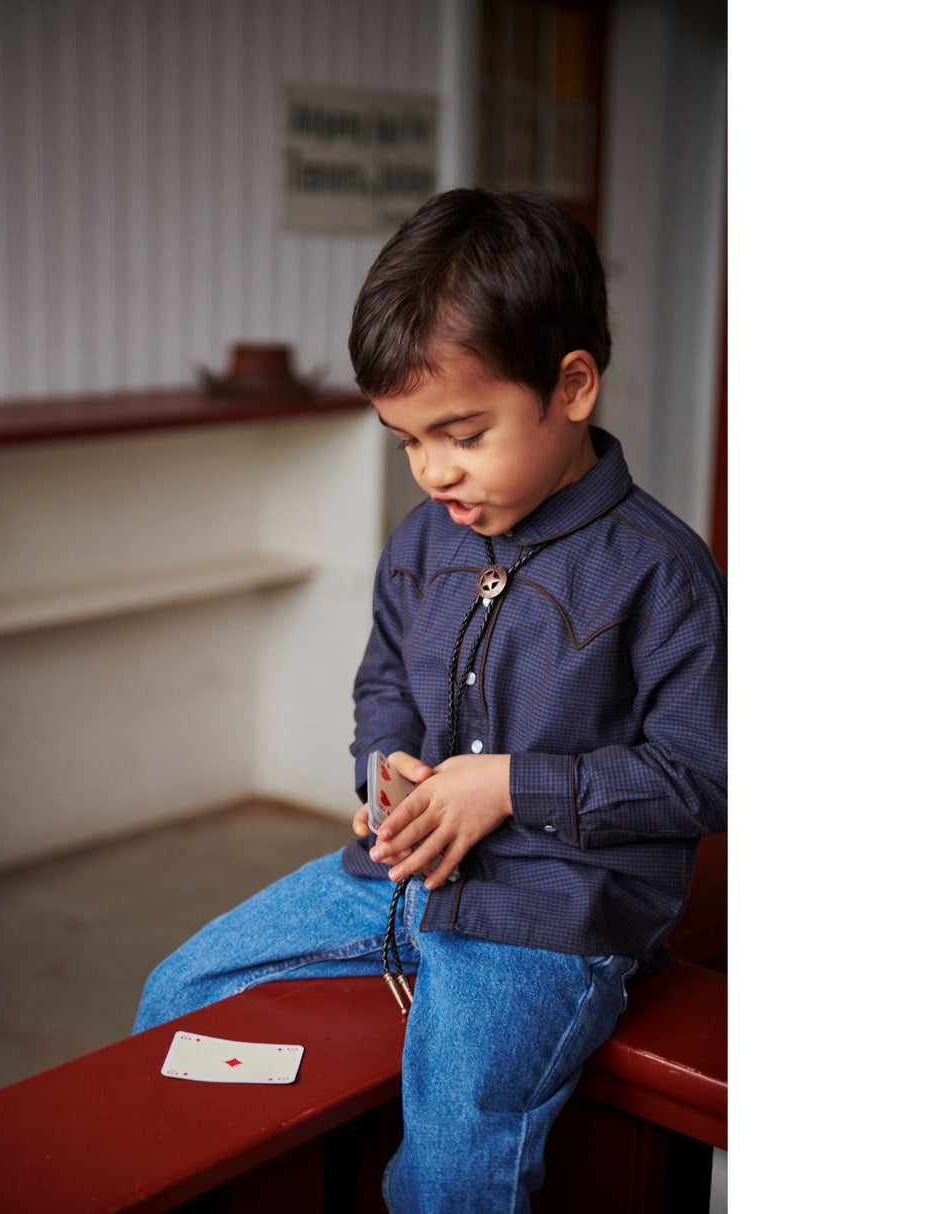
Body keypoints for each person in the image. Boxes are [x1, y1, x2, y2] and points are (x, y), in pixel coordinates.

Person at [133, 188, 727, 1213]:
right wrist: (382, 771)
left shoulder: (660, 572)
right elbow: (383, 686)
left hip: (546, 916)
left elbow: (703, 776)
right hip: (394, 880)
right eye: (405, 439)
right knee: (177, 997)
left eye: (460, 431)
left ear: (571, 385)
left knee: (449, 1170)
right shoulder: (420, 542)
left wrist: (506, 786)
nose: (432, 470)